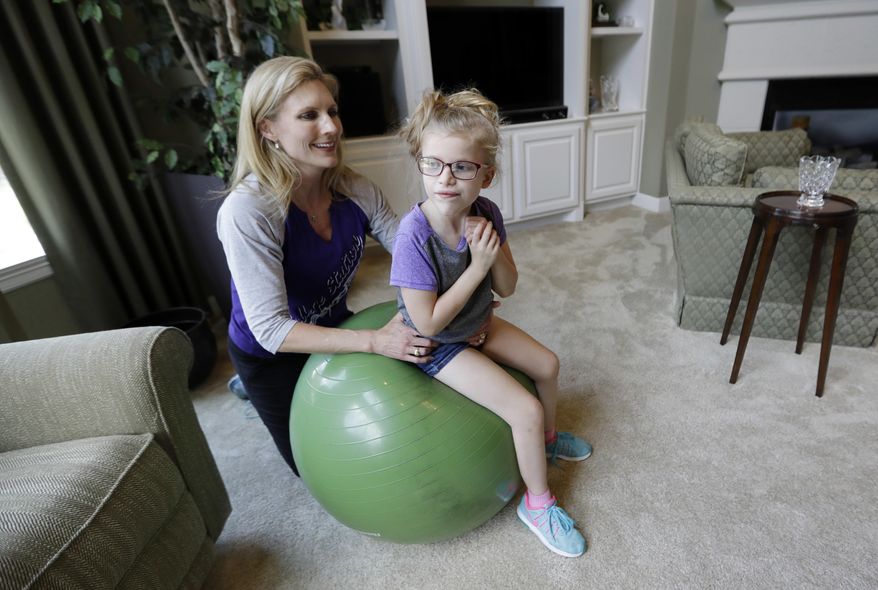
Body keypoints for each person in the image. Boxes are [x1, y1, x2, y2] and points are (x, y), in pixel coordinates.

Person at [390, 89, 593, 558]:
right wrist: (475, 269)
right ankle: (538, 505)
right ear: (420, 162)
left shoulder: (486, 213)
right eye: (433, 163)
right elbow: (430, 323)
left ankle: (545, 443)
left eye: (463, 166)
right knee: (523, 408)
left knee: (547, 364)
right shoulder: (413, 235)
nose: (446, 178)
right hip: (438, 344)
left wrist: (491, 250)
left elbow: (509, 286)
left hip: (478, 322)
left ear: (487, 174)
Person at [216, 56, 442, 476]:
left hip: (336, 326)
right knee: (323, 470)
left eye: (332, 112)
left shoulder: (355, 188)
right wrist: (376, 342)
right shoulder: (249, 210)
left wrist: (463, 293)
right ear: (268, 128)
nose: (332, 127)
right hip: (270, 355)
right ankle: (247, 386)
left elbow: (414, 256)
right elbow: (270, 329)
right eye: (309, 116)